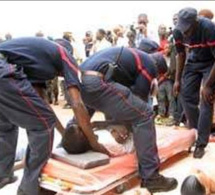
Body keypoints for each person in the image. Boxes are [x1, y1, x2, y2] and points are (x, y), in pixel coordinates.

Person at [0, 37, 108, 195]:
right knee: (42, 127)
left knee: (6, 125)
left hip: (4, 73)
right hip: (3, 72)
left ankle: (3, 175)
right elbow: (77, 104)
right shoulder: (65, 55)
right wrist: (95, 144)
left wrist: (64, 134)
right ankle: (29, 190)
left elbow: (42, 107)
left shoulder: (36, 60)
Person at [79, 47, 178, 193]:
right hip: (97, 81)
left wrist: (113, 124)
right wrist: (116, 125)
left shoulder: (129, 59)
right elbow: (139, 103)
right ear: (157, 69)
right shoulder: (149, 64)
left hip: (80, 80)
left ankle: (68, 146)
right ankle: (151, 177)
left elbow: (120, 101)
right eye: (157, 76)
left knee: (79, 122)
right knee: (145, 115)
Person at [173, 7, 215, 158]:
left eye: (188, 29)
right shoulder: (178, 31)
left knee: (206, 98)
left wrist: (208, 86)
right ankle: (197, 132)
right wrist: (177, 80)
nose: (185, 33)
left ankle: (201, 143)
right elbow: (180, 54)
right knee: (186, 95)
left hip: (210, 62)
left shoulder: (209, 27)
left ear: (196, 22)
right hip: (193, 61)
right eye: (182, 29)